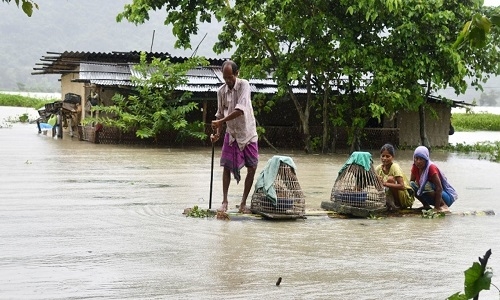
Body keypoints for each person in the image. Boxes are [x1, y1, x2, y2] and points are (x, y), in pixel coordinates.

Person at [211, 60, 258, 214]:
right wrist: (217, 133)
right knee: (226, 166)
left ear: (236, 74)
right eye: (225, 78)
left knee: (252, 167)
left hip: (247, 132)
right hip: (231, 134)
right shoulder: (221, 91)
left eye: (230, 77)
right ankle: (224, 202)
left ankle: (243, 203)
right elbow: (219, 113)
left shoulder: (244, 85)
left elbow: (240, 110)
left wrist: (221, 121)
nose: (228, 81)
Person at [410, 146, 458, 213]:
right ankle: (426, 205)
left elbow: (439, 188)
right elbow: (411, 183)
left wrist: (436, 208)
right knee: (411, 185)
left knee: (426, 185)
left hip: (444, 198)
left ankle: (443, 205)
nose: (418, 161)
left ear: (426, 159)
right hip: (431, 197)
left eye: (421, 159)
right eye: (416, 158)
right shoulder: (415, 167)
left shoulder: (431, 168)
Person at [375, 143, 414, 210]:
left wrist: (385, 183)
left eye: (387, 156)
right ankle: (386, 203)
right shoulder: (378, 168)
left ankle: (397, 204)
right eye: (383, 156)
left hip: (405, 197)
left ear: (392, 157)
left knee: (390, 179)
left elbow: (402, 186)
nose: (385, 158)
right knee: (377, 180)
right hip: (389, 195)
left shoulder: (395, 167)